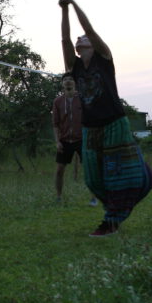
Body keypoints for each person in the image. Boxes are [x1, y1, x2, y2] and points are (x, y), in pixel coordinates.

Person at [58, 0, 152, 237]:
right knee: (93, 179)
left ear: (91, 44)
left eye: (85, 39)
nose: (81, 39)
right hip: (90, 127)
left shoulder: (105, 58)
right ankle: (138, 186)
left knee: (118, 175)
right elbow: (65, 39)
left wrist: (74, 2)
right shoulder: (76, 65)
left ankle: (111, 221)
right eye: (80, 41)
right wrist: (63, 10)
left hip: (114, 121)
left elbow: (88, 28)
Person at [52, 73, 98, 206]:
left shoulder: (83, 99)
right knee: (60, 169)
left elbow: (91, 117)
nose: (68, 82)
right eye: (65, 80)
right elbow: (55, 124)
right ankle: (59, 197)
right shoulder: (58, 101)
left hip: (82, 139)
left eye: (71, 79)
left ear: (75, 83)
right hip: (65, 140)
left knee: (89, 169)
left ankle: (93, 198)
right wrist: (57, 141)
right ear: (62, 84)